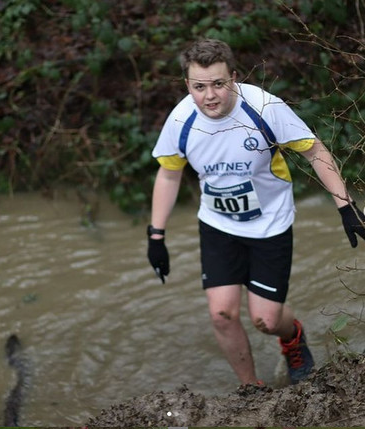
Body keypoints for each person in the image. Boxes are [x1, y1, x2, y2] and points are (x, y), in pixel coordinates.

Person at [146, 39, 365, 386]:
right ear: (188, 85)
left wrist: (345, 205)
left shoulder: (263, 108)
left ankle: (292, 337)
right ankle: (252, 389)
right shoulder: (181, 119)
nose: (210, 96)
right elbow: (169, 173)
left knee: (266, 319)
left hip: (270, 226)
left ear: (233, 77)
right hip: (218, 225)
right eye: (199, 87)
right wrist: (156, 234)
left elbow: (314, 151)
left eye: (218, 84)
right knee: (221, 314)